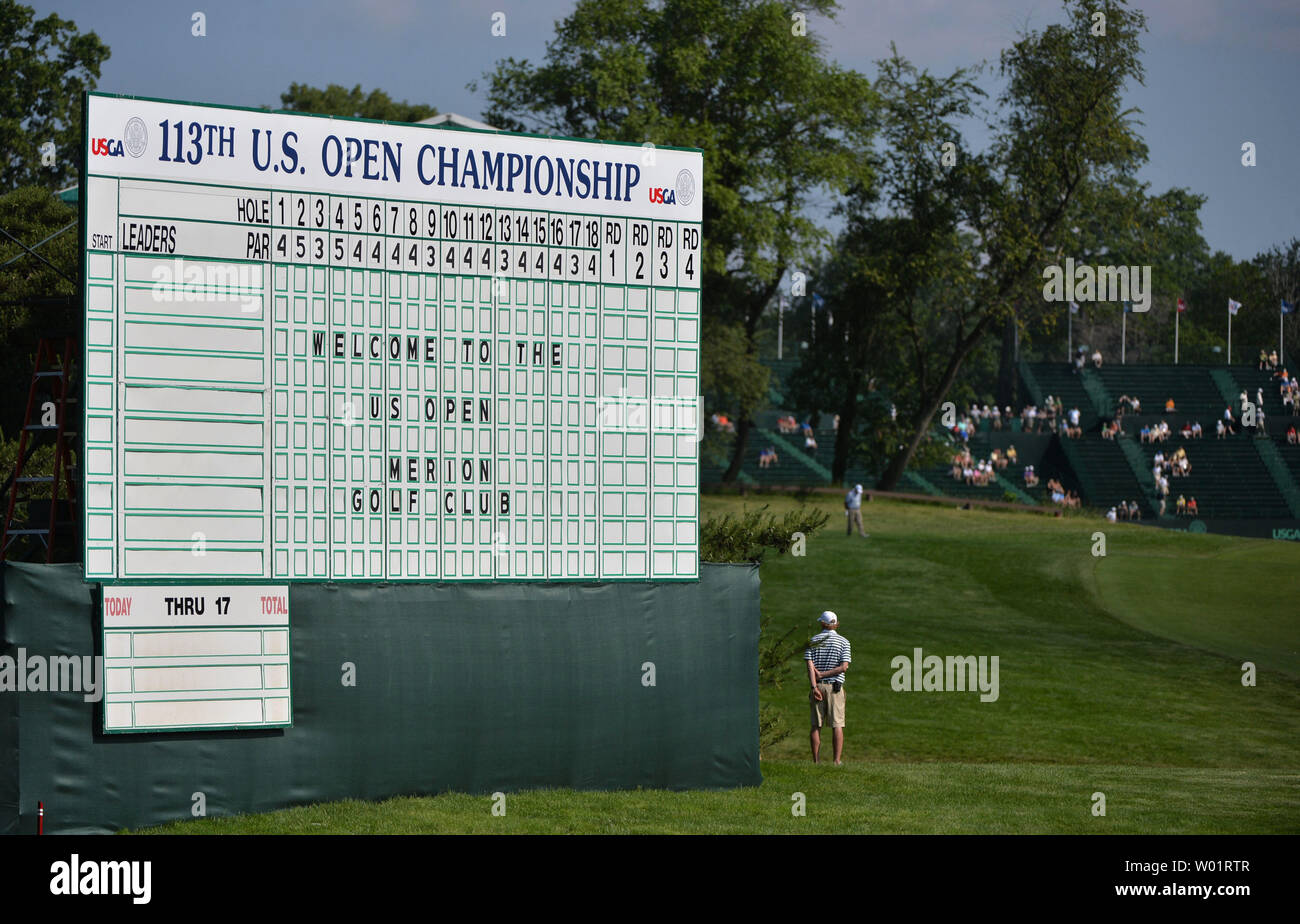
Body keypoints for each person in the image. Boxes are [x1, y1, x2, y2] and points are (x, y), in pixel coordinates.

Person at [805, 611, 851, 765]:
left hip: (817, 687)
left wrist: (814, 686)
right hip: (835, 688)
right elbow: (844, 667)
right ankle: (837, 760)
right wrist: (826, 674)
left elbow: (810, 666)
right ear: (835, 624)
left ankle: (816, 761)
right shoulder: (844, 642)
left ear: (822, 623)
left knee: (816, 725)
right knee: (837, 725)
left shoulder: (813, 641)